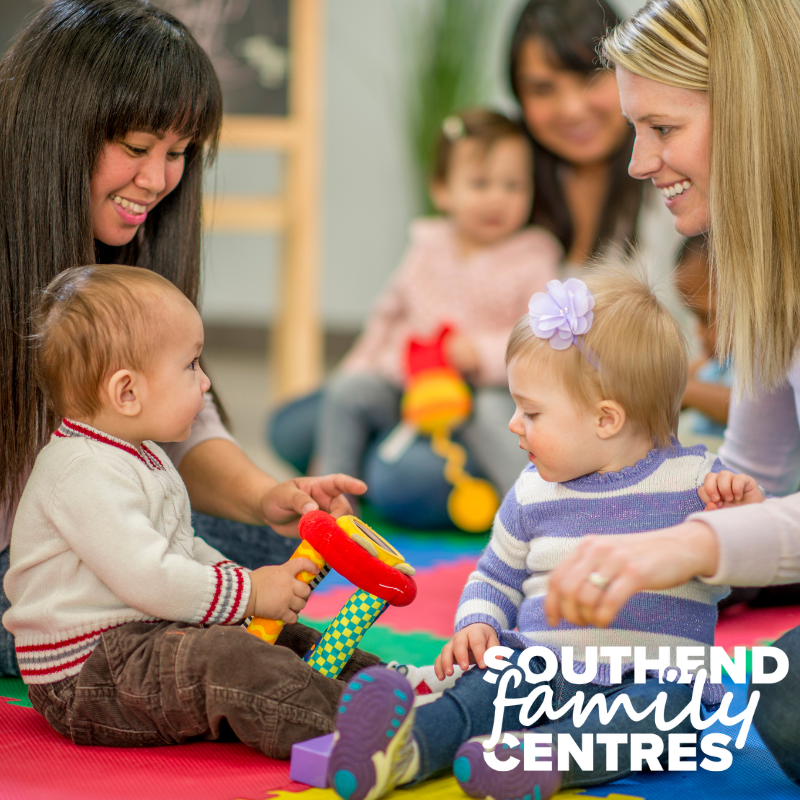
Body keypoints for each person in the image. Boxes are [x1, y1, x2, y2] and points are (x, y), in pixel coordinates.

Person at [0, 0, 364, 678]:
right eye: (137, 149)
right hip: (30, 566)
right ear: (52, 131)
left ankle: (180, 646)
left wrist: (268, 498)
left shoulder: (129, 260)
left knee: (251, 546)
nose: (159, 180)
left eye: (179, 154)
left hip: (112, 538)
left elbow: (185, 428)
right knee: (127, 598)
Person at [323, 268, 735, 800]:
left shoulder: (697, 481)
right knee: (481, 694)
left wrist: (735, 516)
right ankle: (404, 749)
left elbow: (731, 571)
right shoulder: (532, 491)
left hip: (652, 681)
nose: (514, 424)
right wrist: (477, 623)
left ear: (605, 419)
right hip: (540, 667)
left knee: (663, 720)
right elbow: (496, 574)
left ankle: (539, 761)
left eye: (531, 411)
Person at [541, 0, 800, 784]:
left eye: (662, 129)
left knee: (783, 707)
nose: (638, 164)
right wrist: (609, 536)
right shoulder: (764, 271)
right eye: (636, 131)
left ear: (756, 111)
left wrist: (680, 547)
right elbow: (758, 478)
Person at [2, 265, 382, 758]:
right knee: (230, 659)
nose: (205, 384)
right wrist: (249, 592)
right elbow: (150, 576)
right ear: (127, 392)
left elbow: (182, 545)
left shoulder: (141, 453)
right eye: (192, 366)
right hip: (88, 675)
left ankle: (381, 685)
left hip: (143, 638)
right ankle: (355, 727)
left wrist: (245, 583)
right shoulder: (80, 470)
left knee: (281, 638)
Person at [271, 111, 561, 528]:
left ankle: (532, 513)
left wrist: (477, 353)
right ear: (443, 191)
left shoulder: (534, 254)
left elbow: (541, 338)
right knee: (347, 394)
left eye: (513, 185)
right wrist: (358, 370)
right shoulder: (427, 245)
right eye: (480, 184)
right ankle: (335, 506)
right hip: (411, 389)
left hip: (481, 396)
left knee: (492, 419)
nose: (498, 198)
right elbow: (386, 315)